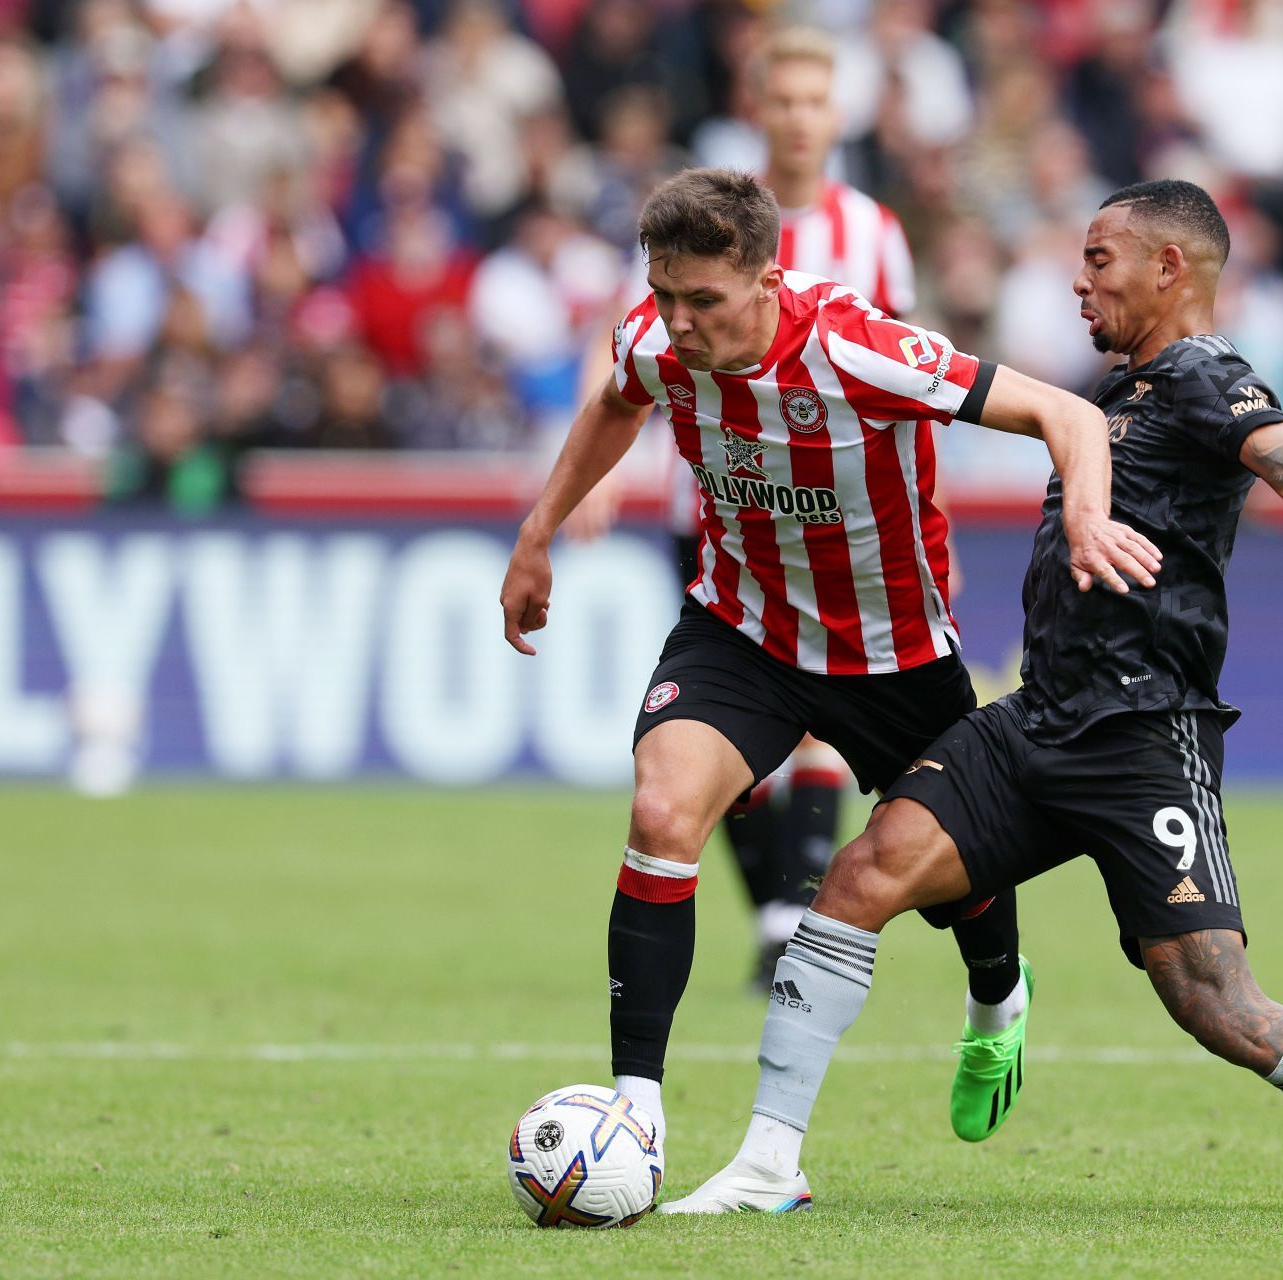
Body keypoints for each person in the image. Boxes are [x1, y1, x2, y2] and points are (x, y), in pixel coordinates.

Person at [668, 180, 1283, 1217]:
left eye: (1099, 258)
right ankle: (767, 1164)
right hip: (1037, 716)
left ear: (1168, 269)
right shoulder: (1115, 395)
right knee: (861, 875)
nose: (1077, 277)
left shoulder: (1204, 375)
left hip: (1144, 733)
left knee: (1220, 1005)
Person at [497, 167, 1162, 1171]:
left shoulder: (857, 346)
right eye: (665, 294)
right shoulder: (654, 339)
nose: (678, 322)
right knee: (662, 812)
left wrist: (1084, 515)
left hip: (892, 650)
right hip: (743, 630)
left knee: (953, 880)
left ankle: (997, 996)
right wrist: (538, 531)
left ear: (767, 278)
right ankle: (637, 1107)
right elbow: (612, 404)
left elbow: (1068, 417)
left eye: (703, 301)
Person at [574, 28, 928, 997]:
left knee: (817, 717)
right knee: (717, 717)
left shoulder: (874, 232)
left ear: (838, 115)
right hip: (716, 504)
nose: (801, 119)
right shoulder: (708, 218)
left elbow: (907, 375)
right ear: (758, 108)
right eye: (785, 101)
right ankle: (780, 906)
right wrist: (592, 469)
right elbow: (623, 340)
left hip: (838, 513)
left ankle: (788, 908)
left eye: (818, 102)